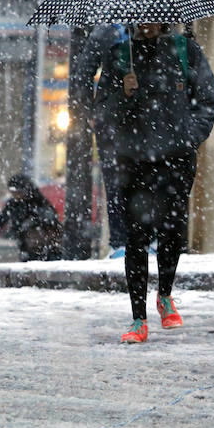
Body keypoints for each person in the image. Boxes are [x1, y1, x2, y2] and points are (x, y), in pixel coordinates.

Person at [92, 22, 214, 344]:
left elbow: (207, 101)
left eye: (153, 18)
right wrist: (124, 95)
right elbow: (103, 112)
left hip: (175, 159)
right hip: (135, 159)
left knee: (172, 229)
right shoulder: (120, 56)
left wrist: (188, 139)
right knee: (136, 236)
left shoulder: (184, 51)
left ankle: (165, 295)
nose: (147, 24)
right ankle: (139, 318)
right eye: (141, 19)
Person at [82, 24, 129, 258]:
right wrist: (90, 112)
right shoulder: (106, 33)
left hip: (143, 117)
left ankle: (142, 239)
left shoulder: (155, 30)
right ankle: (120, 242)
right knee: (115, 181)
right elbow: (84, 71)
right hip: (112, 120)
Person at [0, 173, 63, 262]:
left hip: (43, 247)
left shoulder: (38, 202)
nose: (15, 195)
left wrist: (31, 225)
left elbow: (50, 219)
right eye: (12, 192)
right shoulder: (13, 204)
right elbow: (0, 219)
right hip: (25, 246)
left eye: (17, 192)